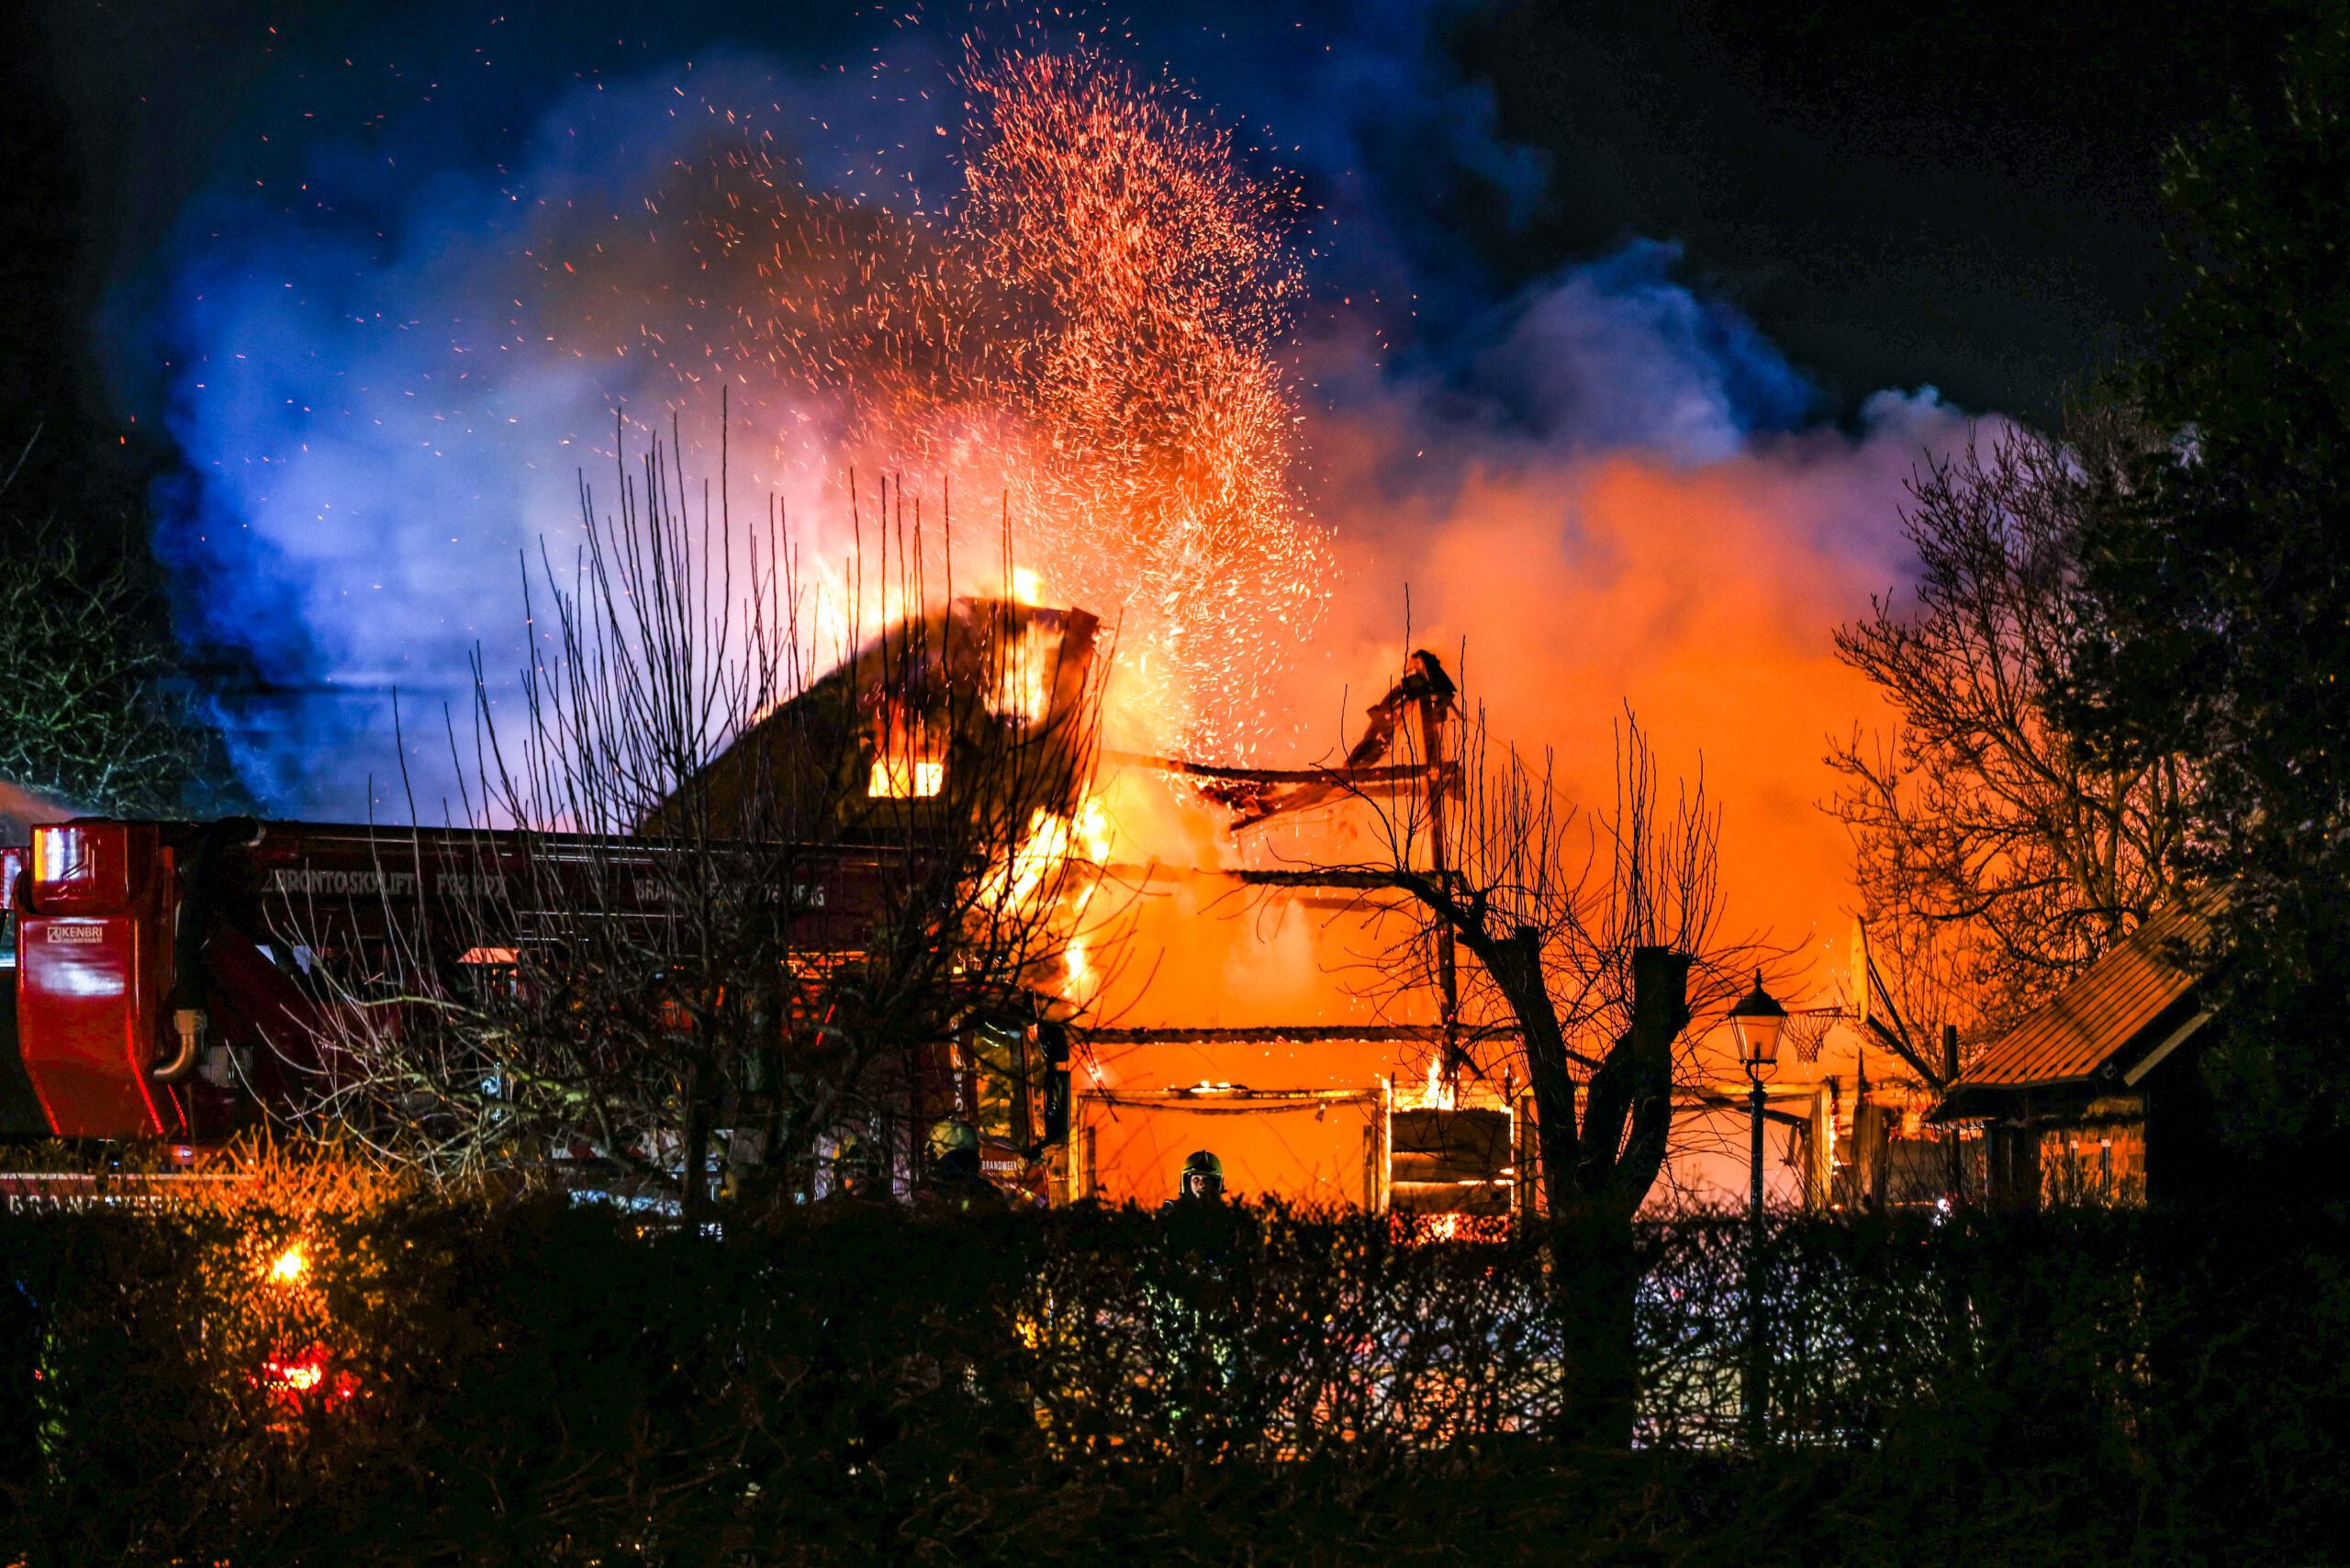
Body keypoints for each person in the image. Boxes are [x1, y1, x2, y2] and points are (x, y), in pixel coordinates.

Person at [1161, 1148, 1225, 1210]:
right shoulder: (1174, 1209)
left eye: (1207, 1180)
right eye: (1196, 1179)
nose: (1201, 1184)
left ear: (1216, 1184)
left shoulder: (1226, 1215)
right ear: (1188, 1183)